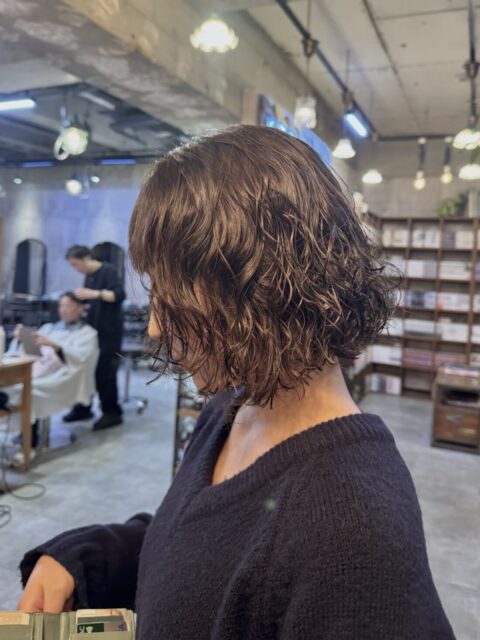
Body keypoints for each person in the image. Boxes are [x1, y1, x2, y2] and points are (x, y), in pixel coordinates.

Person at [17, 126, 454, 639]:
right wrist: (89, 558)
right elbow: (200, 547)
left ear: (259, 283)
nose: (155, 326)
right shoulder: (232, 407)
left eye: (171, 294)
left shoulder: (356, 534)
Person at [5, 292, 99, 464]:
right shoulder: (49, 327)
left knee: (29, 390)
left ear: (81, 308)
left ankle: (30, 442)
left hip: (62, 377)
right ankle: (23, 429)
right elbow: (32, 351)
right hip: (38, 370)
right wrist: (23, 339)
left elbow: (81, 359)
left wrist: (55, 346)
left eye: (68, 306)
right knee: (10, 385)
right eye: (61, 306)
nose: (63, 310)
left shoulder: (88, 334)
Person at [64, 244, 126, 431]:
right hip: (92, 332)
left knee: (105, 372)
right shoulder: (88, 277)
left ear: (86, 258)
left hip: (109, 333)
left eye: (76, 264)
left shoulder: (108, 271)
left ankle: (112, 412)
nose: (76, 269)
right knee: (87, 367)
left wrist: (94, 294)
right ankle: (83, 407)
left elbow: (119, 295)